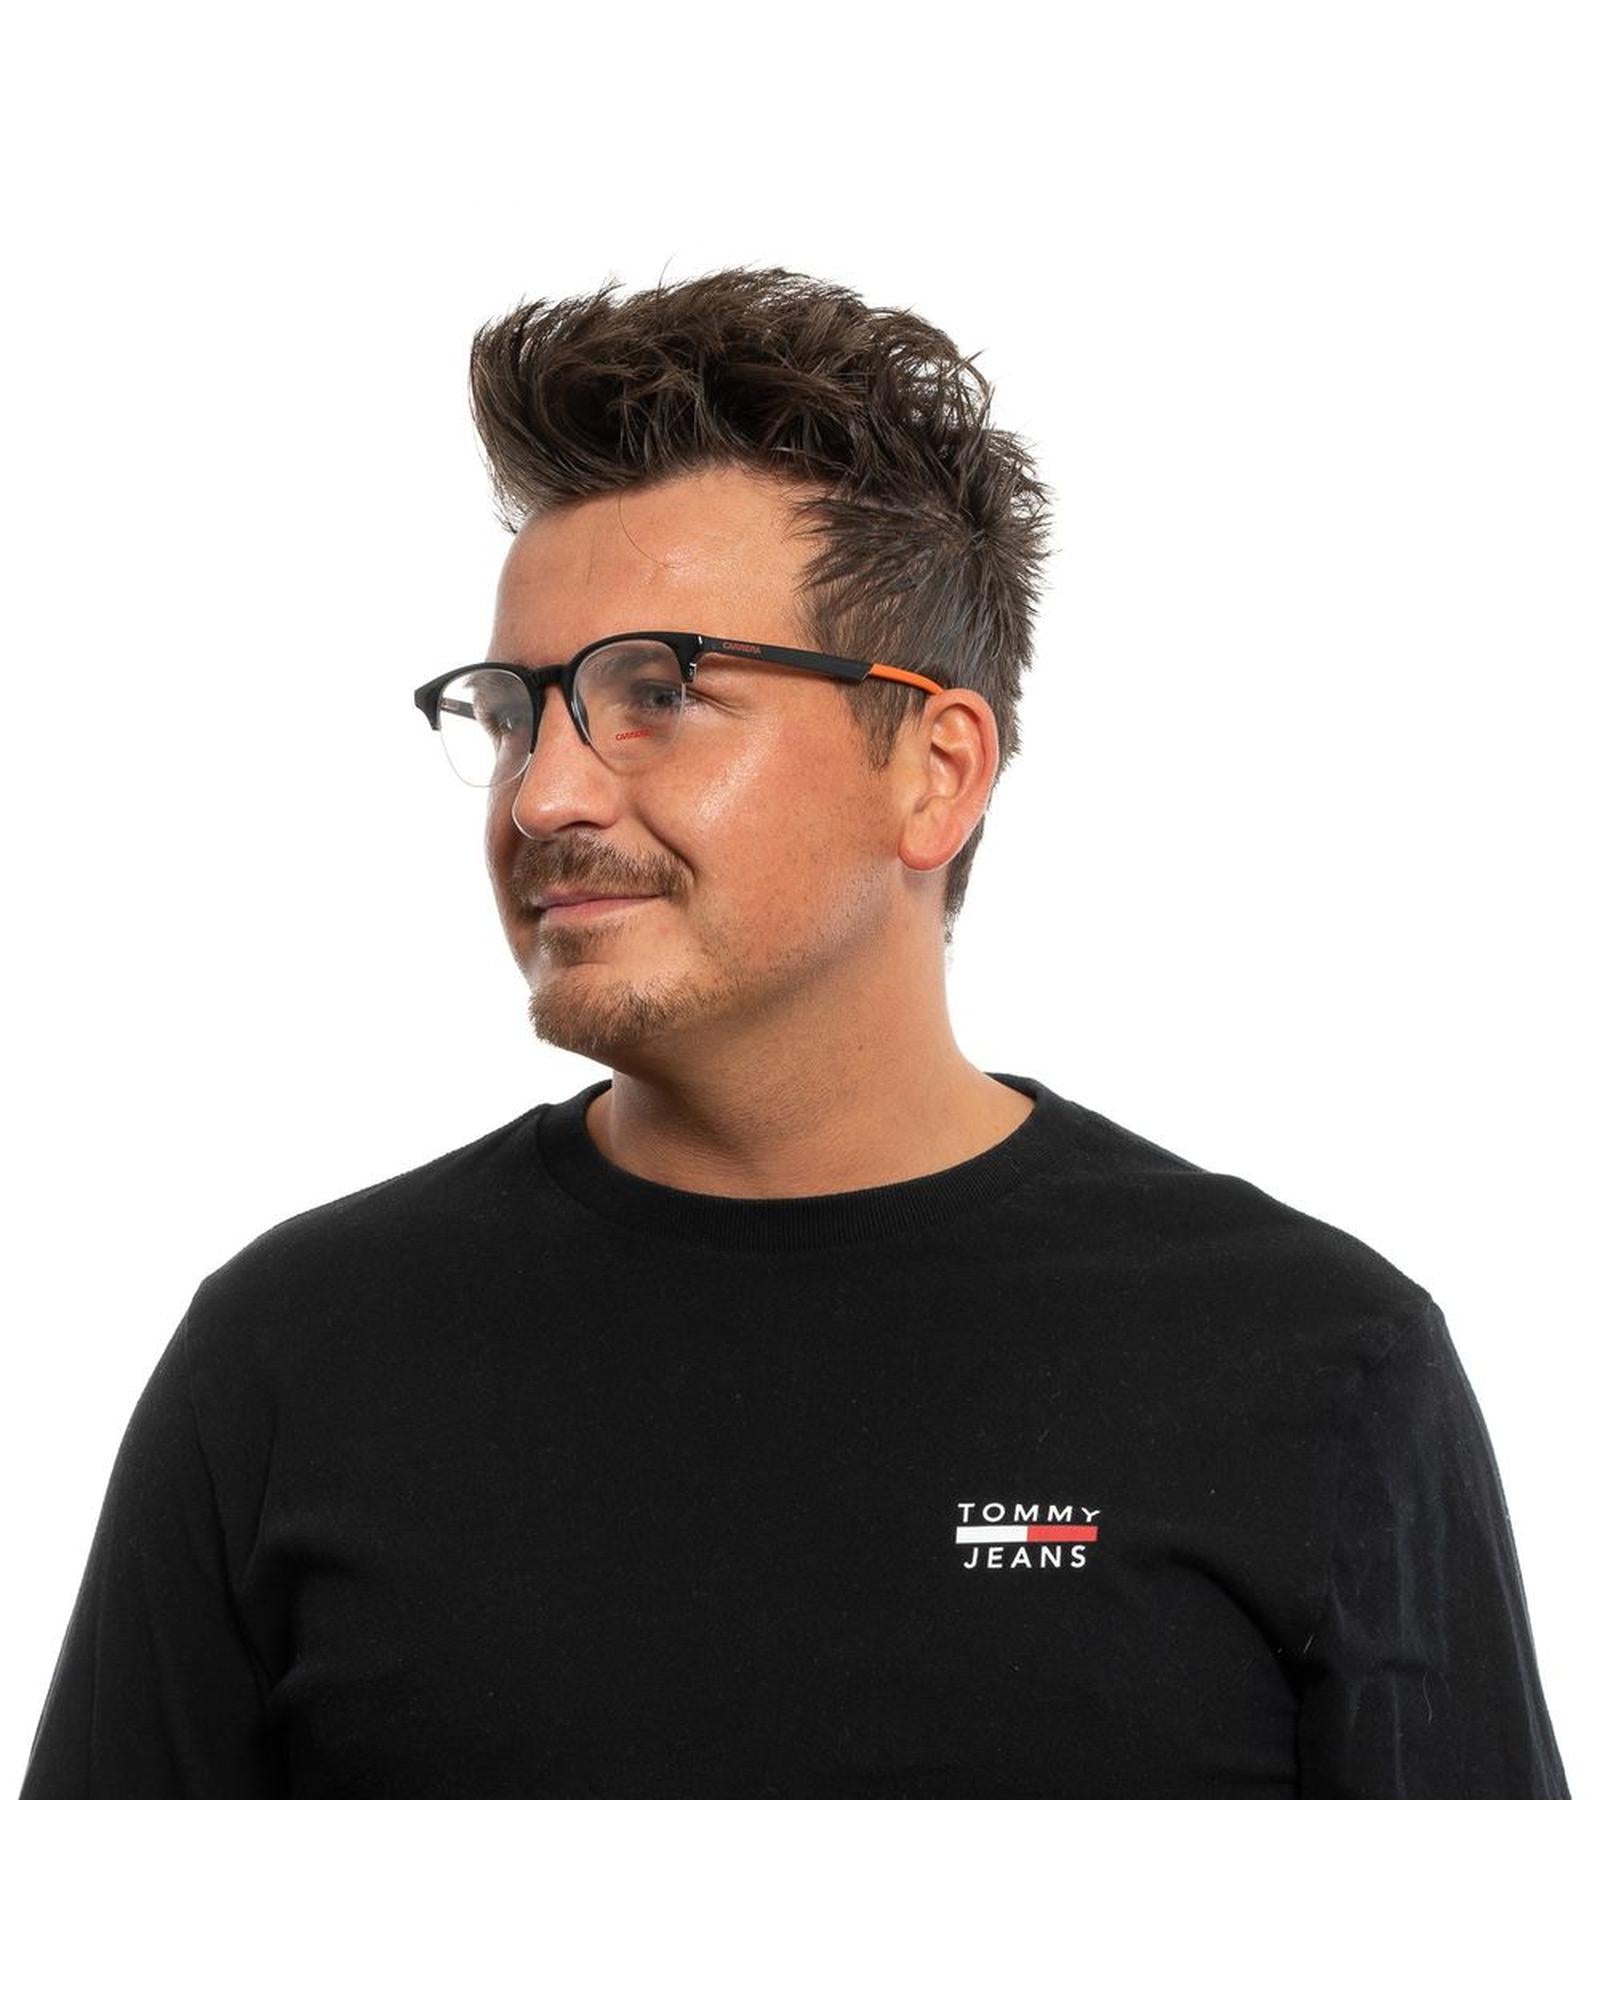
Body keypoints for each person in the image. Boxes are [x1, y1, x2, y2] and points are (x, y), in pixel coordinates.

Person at [19, 266, 1569, 1798]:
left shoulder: (1312, 1361)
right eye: (513, 711)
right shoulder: (289, 1360)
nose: (544, 795)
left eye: (655, 693)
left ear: (936, 771)